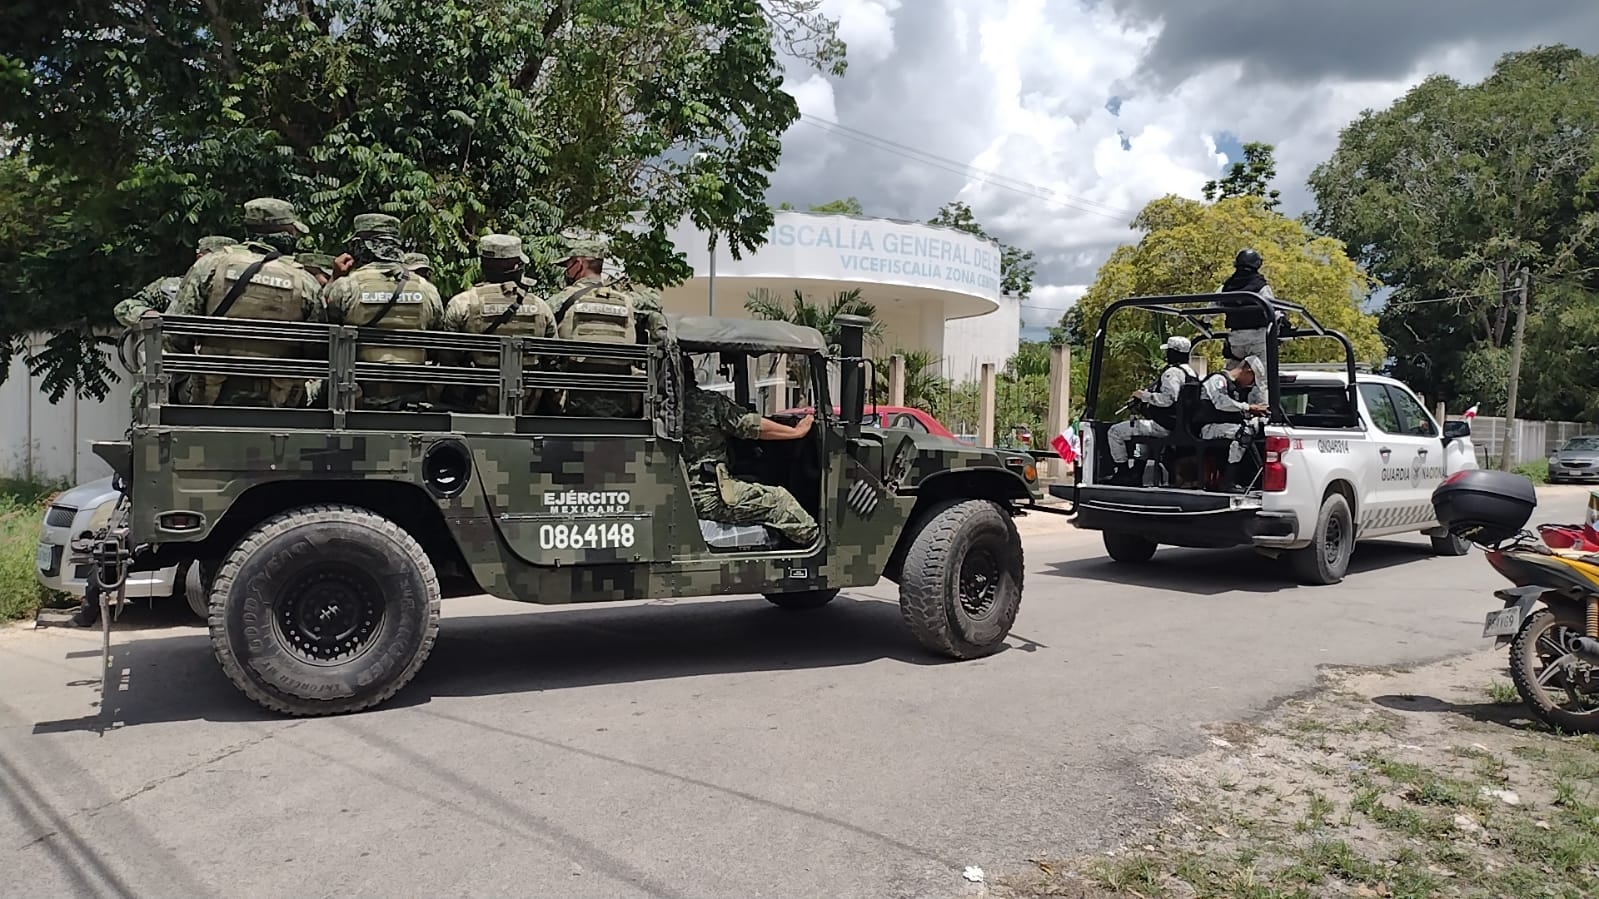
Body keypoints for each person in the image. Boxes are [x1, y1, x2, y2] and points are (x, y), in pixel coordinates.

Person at [164, 199, 324, 407]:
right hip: (279, 400)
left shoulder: (210, 265)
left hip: (208, 396)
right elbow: (316, 350)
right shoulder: (305, 281)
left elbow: (175, 334)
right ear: (284, 234)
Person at [682, 355, 820, 547]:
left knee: (751, 479)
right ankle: (819, 551)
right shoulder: (706, 402)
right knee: (781, 502)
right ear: (691, 373)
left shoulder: (667, 406)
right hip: (708, 494)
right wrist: (796, 431)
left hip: (687, 491)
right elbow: (749, 424)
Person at [320, 213, 445, 410]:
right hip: (413, 397)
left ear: (362, 246)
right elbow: (438, 340)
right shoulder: (427, 289)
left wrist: (334, 277)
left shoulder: (345, 286)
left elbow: (325, 330)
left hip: (359, 397)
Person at [439, 234, 556, 413]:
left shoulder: (462, 303)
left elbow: (447, 357)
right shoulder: (541, 307)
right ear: (517, 267)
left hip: (471, 405)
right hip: (526, 405)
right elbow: (553, 358)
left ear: (482, 264)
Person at [548, 234, 643, 417]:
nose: (567, 271)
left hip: (570, 402)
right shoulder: (627, 302)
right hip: (620, 404)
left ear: (579, 264)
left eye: (568, 265)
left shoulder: (562, 299)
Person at [1105, 336, 1198, 484]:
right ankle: (1137, 472)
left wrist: (1144, 396)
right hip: (1180, 426)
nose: (1166, 355)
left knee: (1115, 431)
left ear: (1174, 352)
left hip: (1164, 426)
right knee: (1143, 434)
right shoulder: (1191, 373)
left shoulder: (1172, 373)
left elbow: (1168, 399)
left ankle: (1123, 472)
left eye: (1169, 351)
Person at [114, 236, 237, 327]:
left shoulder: (246, 290)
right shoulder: (171, 287)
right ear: (200, 259)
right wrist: (147, 314)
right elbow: (124, 308)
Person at [1198, 354, 1269, 493]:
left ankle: (1254, 477)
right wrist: (1248, 407)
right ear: (1248, 370)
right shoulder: (1218, 380)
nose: (1251, 384)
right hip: (1207, 427)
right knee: (1243, 434)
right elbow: (1221, 403)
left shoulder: (1236, 389)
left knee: (1254, 428)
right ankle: (1228, 481)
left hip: (1223, 426)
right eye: (1253, 380)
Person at [1218, 248, 1278, 364]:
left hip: (1236, 340)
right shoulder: (1261, 286)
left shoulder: (1226, 286)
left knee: (1234, 375)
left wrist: (1205, 322)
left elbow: (1212, 305)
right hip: (1258, 339)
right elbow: (1273, 310)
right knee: (1263, 377)